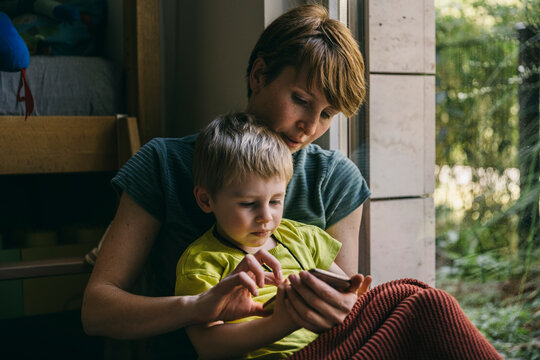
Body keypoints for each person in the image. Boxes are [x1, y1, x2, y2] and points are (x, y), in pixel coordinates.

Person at [82, 4, 502, 359]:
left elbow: (338, 317)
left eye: (327, 115)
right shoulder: (165, 164)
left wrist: (340, 298)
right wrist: (199, 306)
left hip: (320, 349)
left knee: (420, 299)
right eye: (301, 100)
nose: (307, 128)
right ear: (259, 75)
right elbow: (97, 311)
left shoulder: (335, 178)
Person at [175, 113, 372, 359]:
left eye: (276, 201)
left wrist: (355, 295)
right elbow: (209, 346)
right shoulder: (203, 261)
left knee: (408, 296)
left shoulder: (302, 238)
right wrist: (282, 321)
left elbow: (344, 294)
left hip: (333, 349)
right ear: (206, 199)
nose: (266, 216)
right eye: (248, 204)